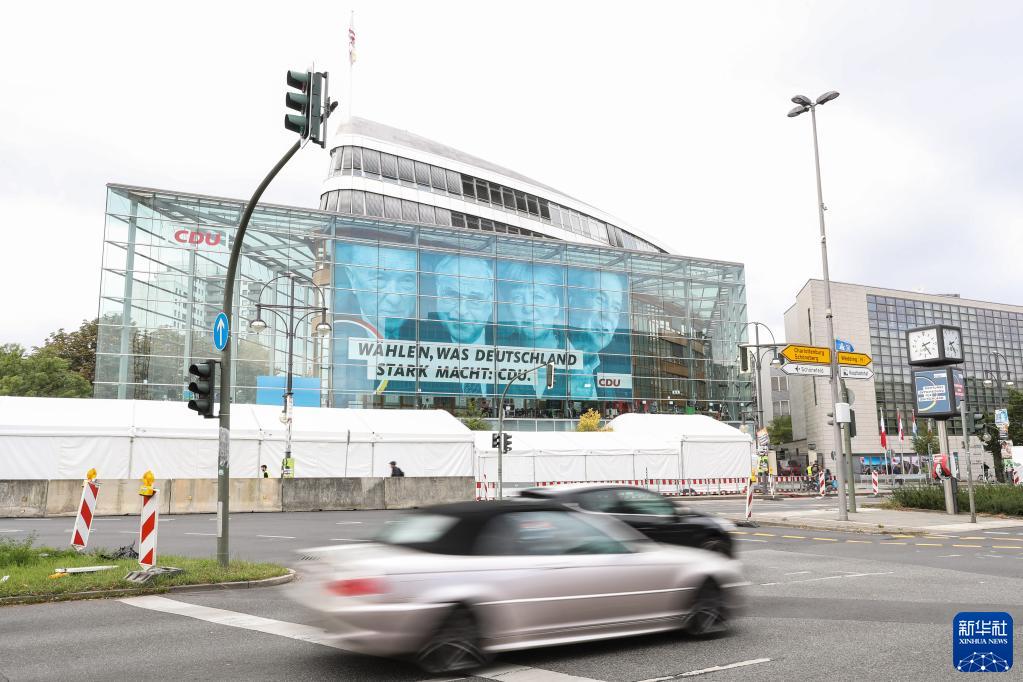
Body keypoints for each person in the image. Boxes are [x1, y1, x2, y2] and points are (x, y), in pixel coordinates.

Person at [565, 269, 631, 401]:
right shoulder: (547, 356)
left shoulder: (604, 375)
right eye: (600, 300)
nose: (608, 315)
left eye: (615, 308)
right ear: (572, 302)